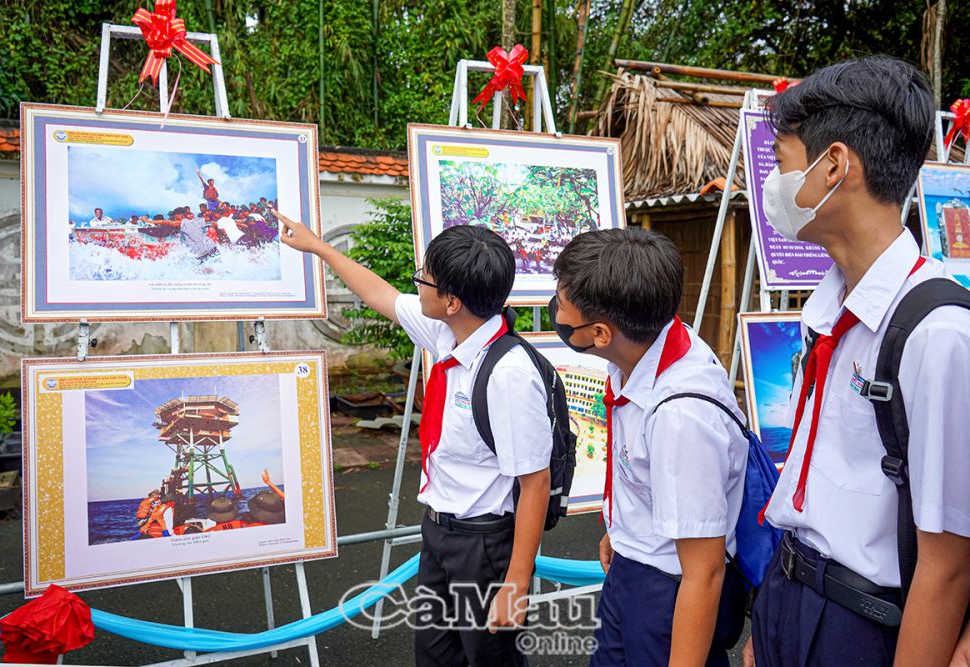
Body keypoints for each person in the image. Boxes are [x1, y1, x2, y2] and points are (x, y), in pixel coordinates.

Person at [745, 56, 970, 667]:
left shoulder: (937, 334)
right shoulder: (828, 309)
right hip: (792, 595)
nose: (772, 185)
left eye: (783, 163)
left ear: (835, 166)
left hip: (863, 627)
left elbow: (948, 568)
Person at [276, 208, 552, 666]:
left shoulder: (510, 375)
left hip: (484, 546)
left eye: (424, 277)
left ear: (452, 301)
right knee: (436, 656)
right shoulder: (448, 333)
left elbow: (534, 484)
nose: (416, 282)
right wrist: (319, 247)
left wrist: (516, 582)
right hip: (440, 531)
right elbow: (380, 294)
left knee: (490, 659)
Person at [549, 228, 747, 666]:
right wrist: (624, 528)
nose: (556, 315)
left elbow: (704, 571)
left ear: (600, 333)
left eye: (561, 308)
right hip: (635, 562)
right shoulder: (649, 346)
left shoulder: (681, 418)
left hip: (667, 593)